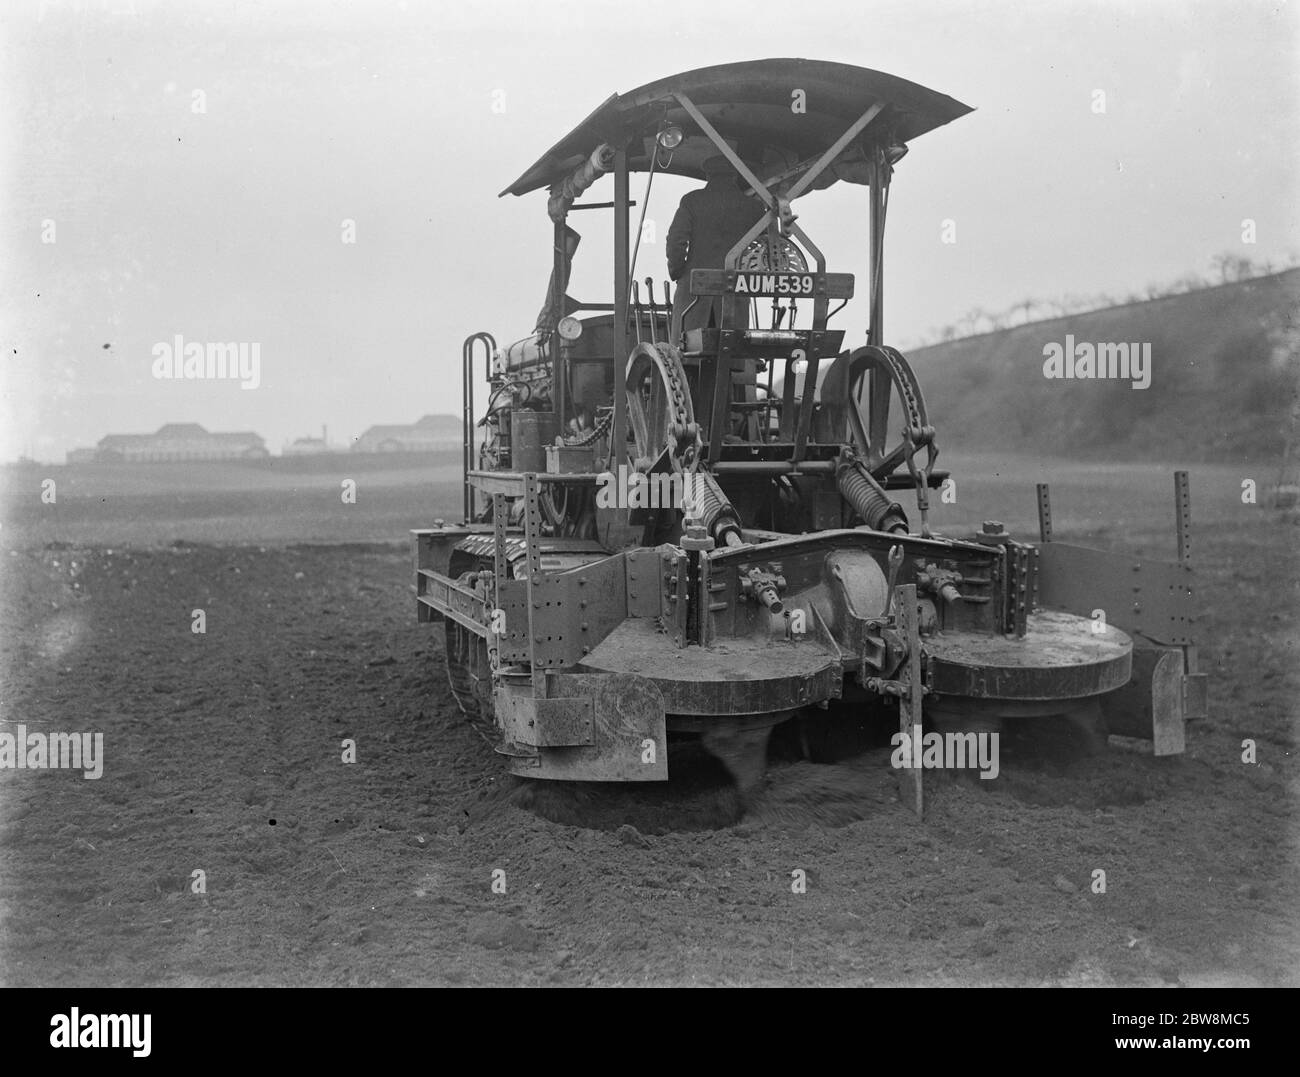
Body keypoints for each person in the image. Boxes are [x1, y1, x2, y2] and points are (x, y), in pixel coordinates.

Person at [666, 155, 767, 343]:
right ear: (735, 175)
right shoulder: (753, 207)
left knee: (687, 354)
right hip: (735, 293)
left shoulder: (692, 201)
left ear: (708, 175)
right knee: (731, 355)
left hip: (694, 295)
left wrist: (679, 271)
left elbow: (675, 241)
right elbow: (766, 245)